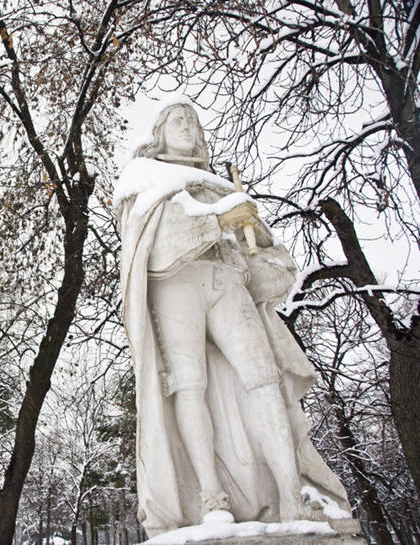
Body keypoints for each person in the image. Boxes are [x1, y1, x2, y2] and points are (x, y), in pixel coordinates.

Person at [115, 97, 353, 536]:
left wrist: (269, 265)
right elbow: (149, 247)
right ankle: (211, 496)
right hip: (175, 284)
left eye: (193, 118)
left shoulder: (220, 185)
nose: (187, 123)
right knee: (189, 386)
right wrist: (216, 221)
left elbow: (266, 252)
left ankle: (289, 493)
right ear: (159, 132)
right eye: (177, 118)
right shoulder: (143, 177)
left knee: (264, 378)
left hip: (227, 281)